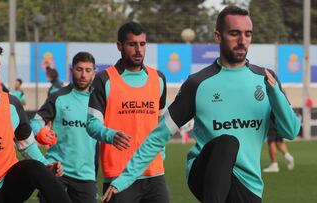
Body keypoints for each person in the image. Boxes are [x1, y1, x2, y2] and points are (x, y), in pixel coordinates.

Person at [102, 6, 301, 203]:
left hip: (247, 184)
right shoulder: (198, 83)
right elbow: (158, 136)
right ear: (217, 36)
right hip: (203, 173)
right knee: (227, 142)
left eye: (247, 34)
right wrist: (123, 180)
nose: (242, 41)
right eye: (234, 33)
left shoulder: (265, 80)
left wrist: (275, 94)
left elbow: (291, 131)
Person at [0, 39, 71, 203]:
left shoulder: (11, 104)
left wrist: (47, 166)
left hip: (6, 185)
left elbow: (27, 144)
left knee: (36, 169)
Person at [86, 22, 169, 203]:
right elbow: (91, 124)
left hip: (154, 173)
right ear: (119, 46)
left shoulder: (159, 79)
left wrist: (160, 152)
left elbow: (161, 122)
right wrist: (110, 135)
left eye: (142, 44)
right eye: (132, 44)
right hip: (118, 174)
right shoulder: (104, 80)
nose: (138, 49)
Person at [30, 52, 98, 203]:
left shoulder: (99, 101)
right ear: (71, 70)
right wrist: (39, 131)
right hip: (57, 172)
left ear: (94, 72)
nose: (83, 75)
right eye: (79, 69)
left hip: (86, 175)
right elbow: (35, 122)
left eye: (88, 70)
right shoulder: (58, 97)